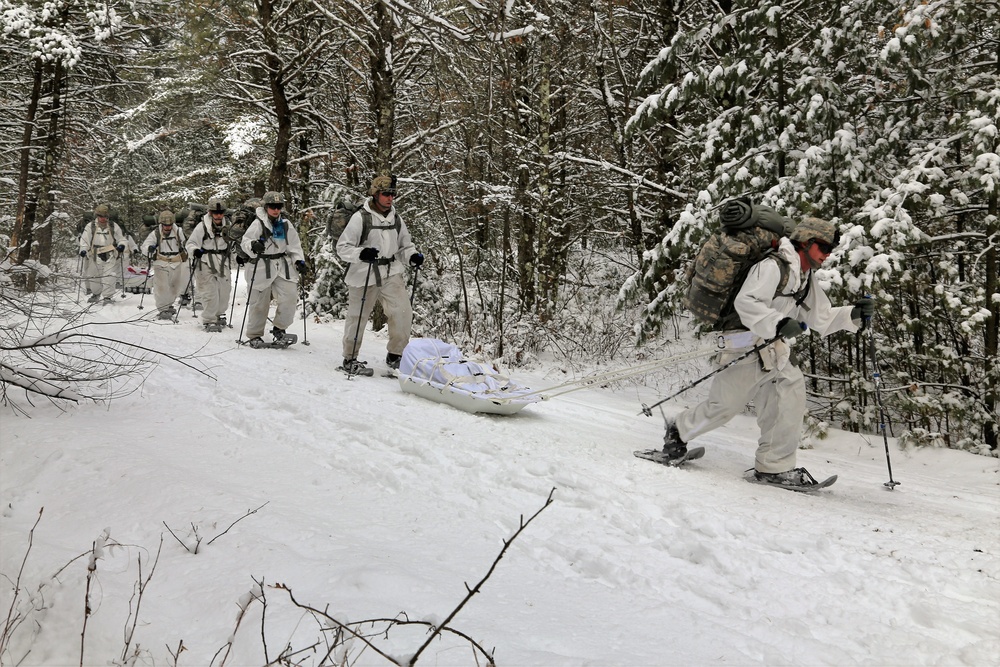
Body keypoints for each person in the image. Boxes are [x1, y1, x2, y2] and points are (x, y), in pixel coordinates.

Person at [660, 217, 874, 487]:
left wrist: (852, 314)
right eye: (823, 247)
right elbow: (746, 302)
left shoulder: (805, 276)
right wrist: (780, 322)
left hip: (774, 347)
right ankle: (677, 430)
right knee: (724, 407)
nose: (827, 254)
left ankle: (774, 467)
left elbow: (821, 317)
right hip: (744, 343)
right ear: (806, 243)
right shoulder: (773, 266)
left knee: (788, 400)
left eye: (830, 249)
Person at [336, 174, 423, 374]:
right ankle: (350, 359)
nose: (390, 198)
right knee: (357, 317)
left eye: (393, 194)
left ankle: (396, 355)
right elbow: (343, 247)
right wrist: (361, 253)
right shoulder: (361, 217)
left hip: (391, 271)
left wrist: (412, 256)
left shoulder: (396, 219)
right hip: (363, 272)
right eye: (385, 194)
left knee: (402, 312)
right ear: (375, 194)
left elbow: (405, 246)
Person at [239, 191, 306, 347]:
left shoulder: (286, 224)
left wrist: (299, 261)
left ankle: (279, 329)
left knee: (290, 297)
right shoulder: (258, 223)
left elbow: (294, 246)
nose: (276, 210)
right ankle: (254, 334)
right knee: (259, 303)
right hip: (261, 266)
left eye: (279, 206)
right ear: (266, 207)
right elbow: (245, 242)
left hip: (282, 266)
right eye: (273, 207)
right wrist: (253, 246)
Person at [186, 198, 233, 332]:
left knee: (225, 290)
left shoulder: (228, 226)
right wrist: (195, 251)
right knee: (209, 291)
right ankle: (209, 319)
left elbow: (235, 240)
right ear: (210, 212)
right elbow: (191, 243)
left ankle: (219, 313)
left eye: (220, 212)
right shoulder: (202, 226)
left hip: (222, 260)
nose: (218, 215)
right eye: (215, 212)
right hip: (205, 260)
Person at [143, 210, 190, 320]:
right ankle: (162, 309)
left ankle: (169, 304)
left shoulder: (178, 231)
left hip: (176, 261)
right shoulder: (156, 233)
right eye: (165, 225)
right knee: (161, 287)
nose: (167, 227)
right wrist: (149, 249)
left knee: (175, 287)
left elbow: (186, 243)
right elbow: (146, 245)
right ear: (161, 224)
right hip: (161, 261)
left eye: (169, 225)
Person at [78, 203, 127, 303]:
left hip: (110, 254)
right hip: (95, 254)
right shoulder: (90, 226)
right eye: (100, 216)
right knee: (93, 275)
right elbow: (84, 240)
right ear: (97, 216)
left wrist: (121, 245)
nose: (103, 219)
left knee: (109, 275)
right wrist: (83, 249)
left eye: (105, 216)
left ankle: (108, 297)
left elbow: (121, 238)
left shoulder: (113, 226)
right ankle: (96, 294)